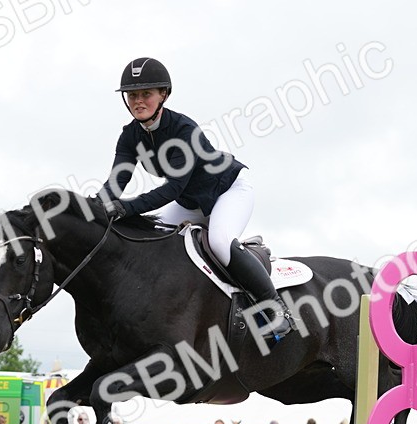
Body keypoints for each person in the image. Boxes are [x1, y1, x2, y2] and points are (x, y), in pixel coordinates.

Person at [101, 57, 291, 340]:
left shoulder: (183, 130)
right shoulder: (130, 137)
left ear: (163, 94)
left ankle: (276, 311)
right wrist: (93, 207)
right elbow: (116, 182)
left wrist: (125, 208)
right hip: (192, 202)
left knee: (219, 242)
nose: (138, 101)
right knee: (152, 237)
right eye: (132, 95)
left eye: (146, 94)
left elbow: (171, 190)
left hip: (228, 191)